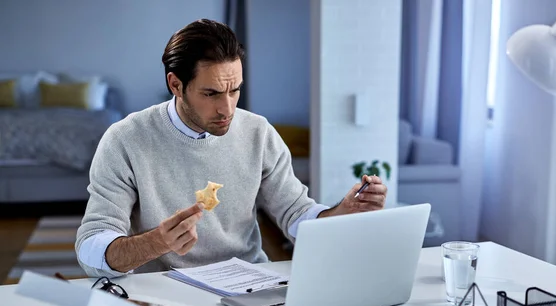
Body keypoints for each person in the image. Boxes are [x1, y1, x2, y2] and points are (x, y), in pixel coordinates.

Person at [75, 19, 387, 278]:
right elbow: (91, 248)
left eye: (234, 90)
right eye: (210, 93)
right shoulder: (125, 139)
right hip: (162, 294)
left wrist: (342, 212)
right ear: (175, 85)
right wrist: (155, 243)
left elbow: (297, 215)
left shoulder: (258, 132)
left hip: (248, 285)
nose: (227, 108)